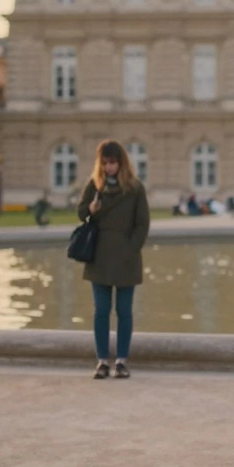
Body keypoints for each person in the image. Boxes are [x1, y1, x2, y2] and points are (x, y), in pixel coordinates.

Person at [77, 140, 150, 380]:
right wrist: (92, 209)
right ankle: (101, 361)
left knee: (124, 310)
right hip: (99, 255)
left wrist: (131, 249)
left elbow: (142, 224)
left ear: (121, 163)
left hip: (126, 256)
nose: (109, 168)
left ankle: (121, 360)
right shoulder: (94, 186)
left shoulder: (135, 188)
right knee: (101, 310)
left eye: (113, 162)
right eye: (106, 163)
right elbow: (81, 213)